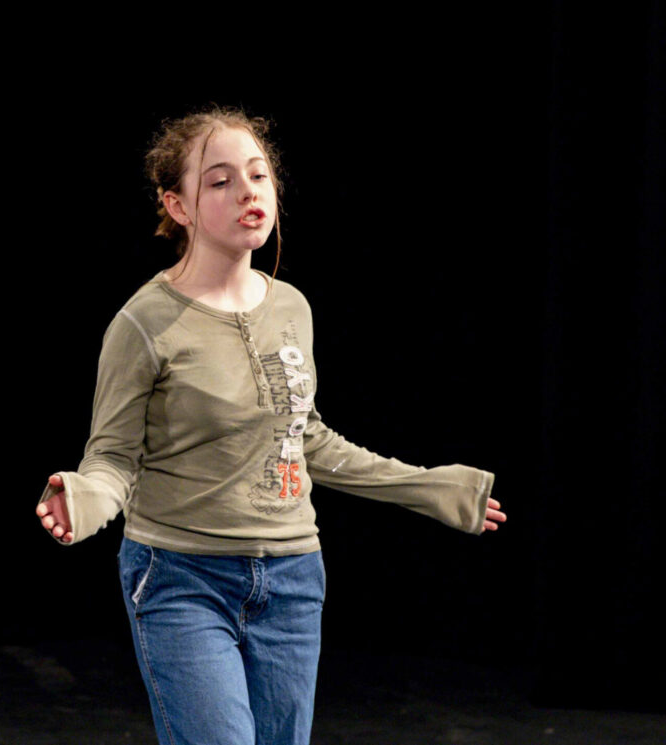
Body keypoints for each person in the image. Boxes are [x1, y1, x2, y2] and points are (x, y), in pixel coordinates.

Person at [35, 107, 506, 745]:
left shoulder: (291, 306)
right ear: (178, 206)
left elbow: (304, 438)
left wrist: (429, 487)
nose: (248, 192)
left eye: (258, 176)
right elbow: (114, 456)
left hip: (292, 578)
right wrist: (86, 497)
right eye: (220, 180)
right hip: (182, 577)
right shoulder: (143, 324)